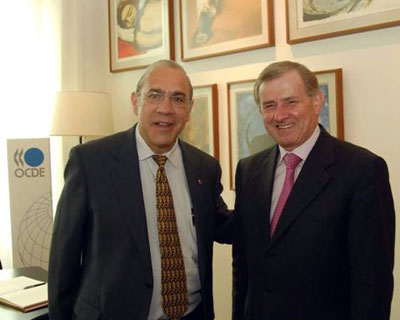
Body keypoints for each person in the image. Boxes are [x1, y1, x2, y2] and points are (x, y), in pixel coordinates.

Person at [48, 60, 231, 320]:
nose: (166, 109)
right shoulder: (91, 163)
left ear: (189, 109)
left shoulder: (205, 167)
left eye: (178, 99)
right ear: (135, 101)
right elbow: (63, 260)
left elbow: (220, 223)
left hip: (192, 314)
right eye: (155, 95)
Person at [232, 61, 395, 320]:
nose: (280, 115)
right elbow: (243, 268)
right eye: (269, 105)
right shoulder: (248, 171)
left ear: (317, 102)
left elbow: (372, 283)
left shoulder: (362, 170)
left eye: (290, 102)